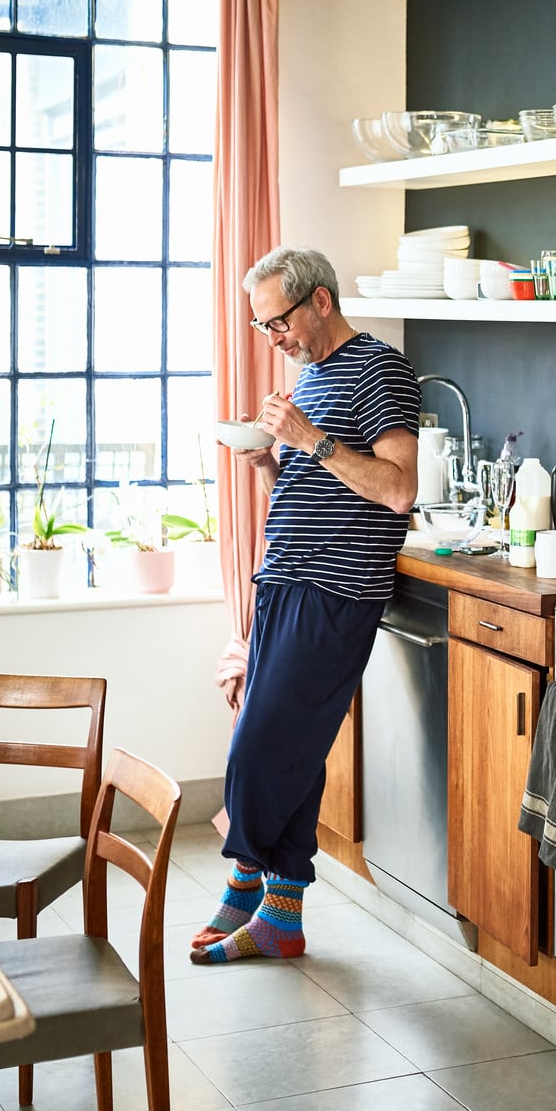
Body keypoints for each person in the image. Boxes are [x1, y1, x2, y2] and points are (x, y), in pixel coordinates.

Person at [190, 245, 420, 964]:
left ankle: (243, 882)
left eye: (277, 321)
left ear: (320, 299)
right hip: (286, 582)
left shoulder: (380, 368)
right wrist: (269, 462)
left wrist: (308, 438)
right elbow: (313, 490)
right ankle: (279, 918)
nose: (274, 338)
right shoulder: (313, 377)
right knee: (292, 753)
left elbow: (398, 488)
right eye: (262, 328)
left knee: (261, 750)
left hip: (335, 592)